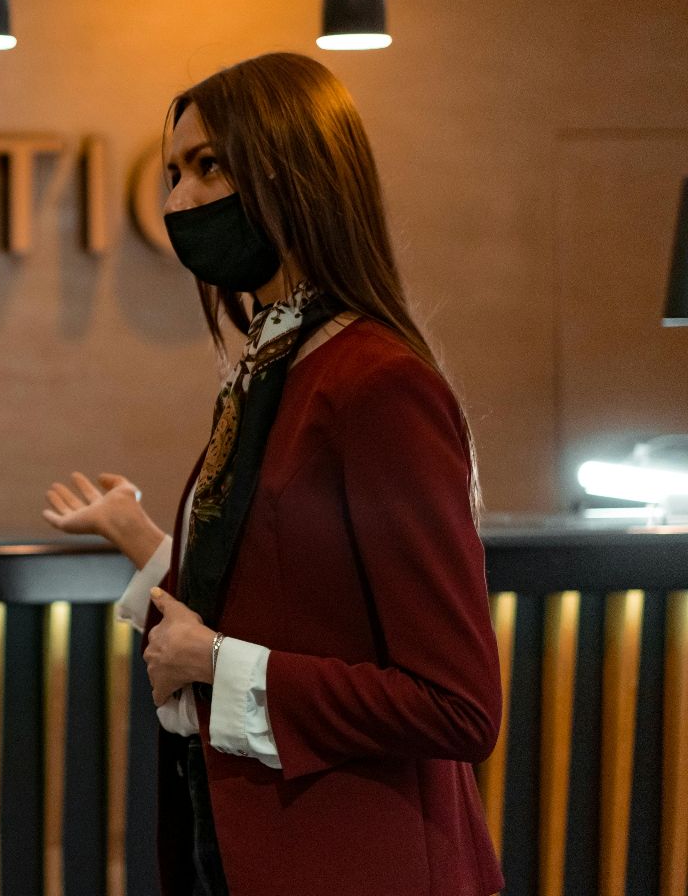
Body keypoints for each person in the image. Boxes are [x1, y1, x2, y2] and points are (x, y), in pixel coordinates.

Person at [41, 52, 503, 896]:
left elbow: (456, 702)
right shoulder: (273, 367)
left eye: (208, 165)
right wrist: (142, 539)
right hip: (241, 842)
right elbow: (285, 594)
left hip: (358, 858)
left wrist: (219, 661)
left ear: (295, 171)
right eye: (174, 171)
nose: (179, 199)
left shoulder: (377, 384)